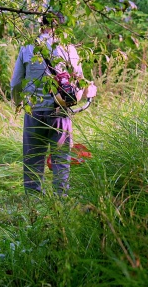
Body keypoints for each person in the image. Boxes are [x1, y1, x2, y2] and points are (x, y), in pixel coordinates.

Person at [9, 12, 96, 195]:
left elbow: (16, 83)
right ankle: (60, 201)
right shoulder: (68, 48)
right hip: (60, 112)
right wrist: (78, 99)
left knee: (33, 160)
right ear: (61, 27)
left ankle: (33, 205)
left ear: (41, 25)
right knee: (61, 160)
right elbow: (78, 82)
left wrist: (19, 103)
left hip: (34, 111)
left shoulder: (27, 47)